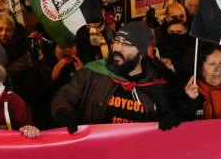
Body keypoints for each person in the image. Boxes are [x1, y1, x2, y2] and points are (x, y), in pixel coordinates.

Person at [51, 21, 182, 132]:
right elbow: (65, 95)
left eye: (126, 43)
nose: (117, 48)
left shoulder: (156, 82)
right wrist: (63, 112)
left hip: (136, 157)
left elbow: (174, 111)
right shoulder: (94, 72)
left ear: (141, 52)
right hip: (97, 153)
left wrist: (168, 116)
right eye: (117, 41)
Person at [0, 12, 32, 90]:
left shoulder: (21, 50)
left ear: (13, 32)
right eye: (0, 29)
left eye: (8, 30)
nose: (4, 33)